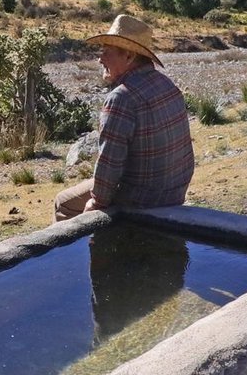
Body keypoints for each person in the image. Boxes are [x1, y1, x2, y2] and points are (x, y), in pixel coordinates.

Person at [54, 14, 194, 221]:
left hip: (139, 199)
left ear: (128, 56)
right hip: (172, 193)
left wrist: (96, 203)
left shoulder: (121, 98)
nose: (100, 58)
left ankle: (86, 252)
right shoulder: (166, 84)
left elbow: (109, 166)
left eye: (106, 52)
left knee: (63, 203)